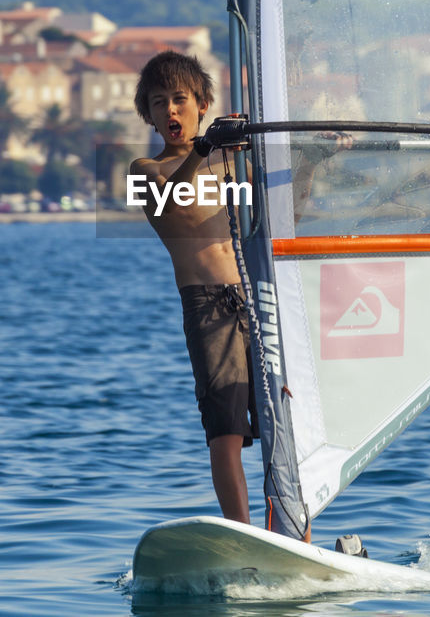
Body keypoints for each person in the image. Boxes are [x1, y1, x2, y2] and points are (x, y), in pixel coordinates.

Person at [129, 51, 343, 533]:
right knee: (225, 432)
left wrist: (312, 161)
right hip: (208, 308)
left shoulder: (234, 163)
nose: (171, 112)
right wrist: (208, 148)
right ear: (149, 114)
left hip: (257, 298)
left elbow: (282, 218)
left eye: (180, 100)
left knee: (279, 427)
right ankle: (244, 532)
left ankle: (296, 531)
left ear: (202, 103)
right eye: (159, 103)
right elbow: (173, 198)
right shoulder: (147, 169)